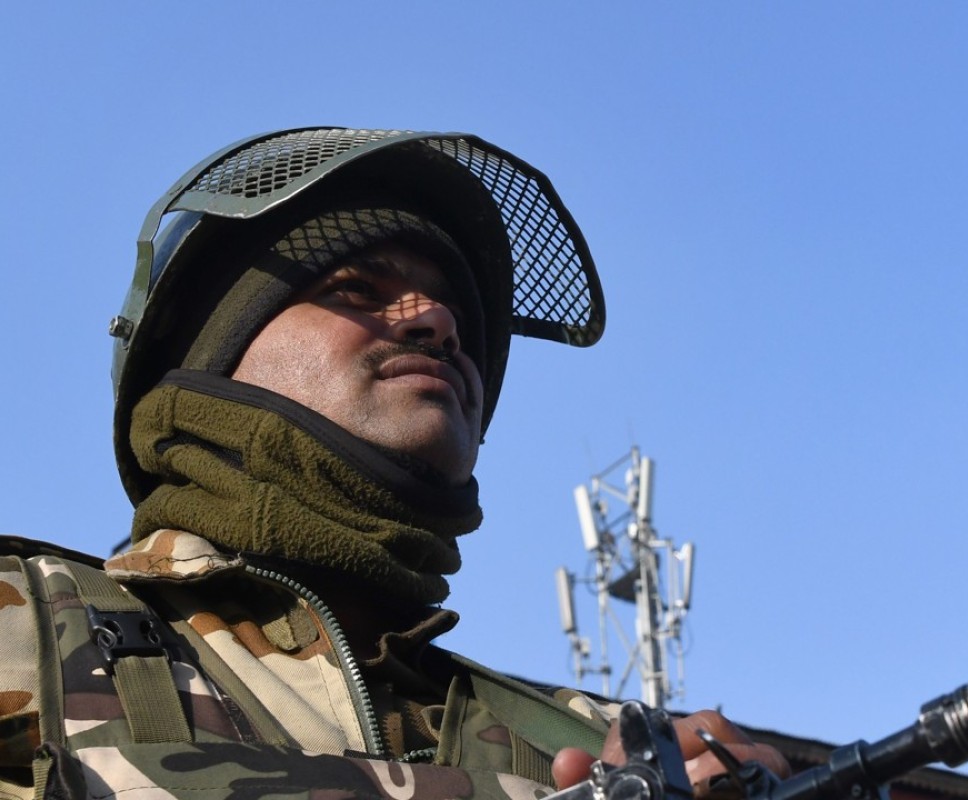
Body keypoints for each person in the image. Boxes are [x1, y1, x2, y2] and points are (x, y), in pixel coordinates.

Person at [0, 127, 787, 799]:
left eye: (455, 314)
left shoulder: (588, 748)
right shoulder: (24, 623)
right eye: (358, 287)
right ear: (214, 355)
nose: (438, 321)